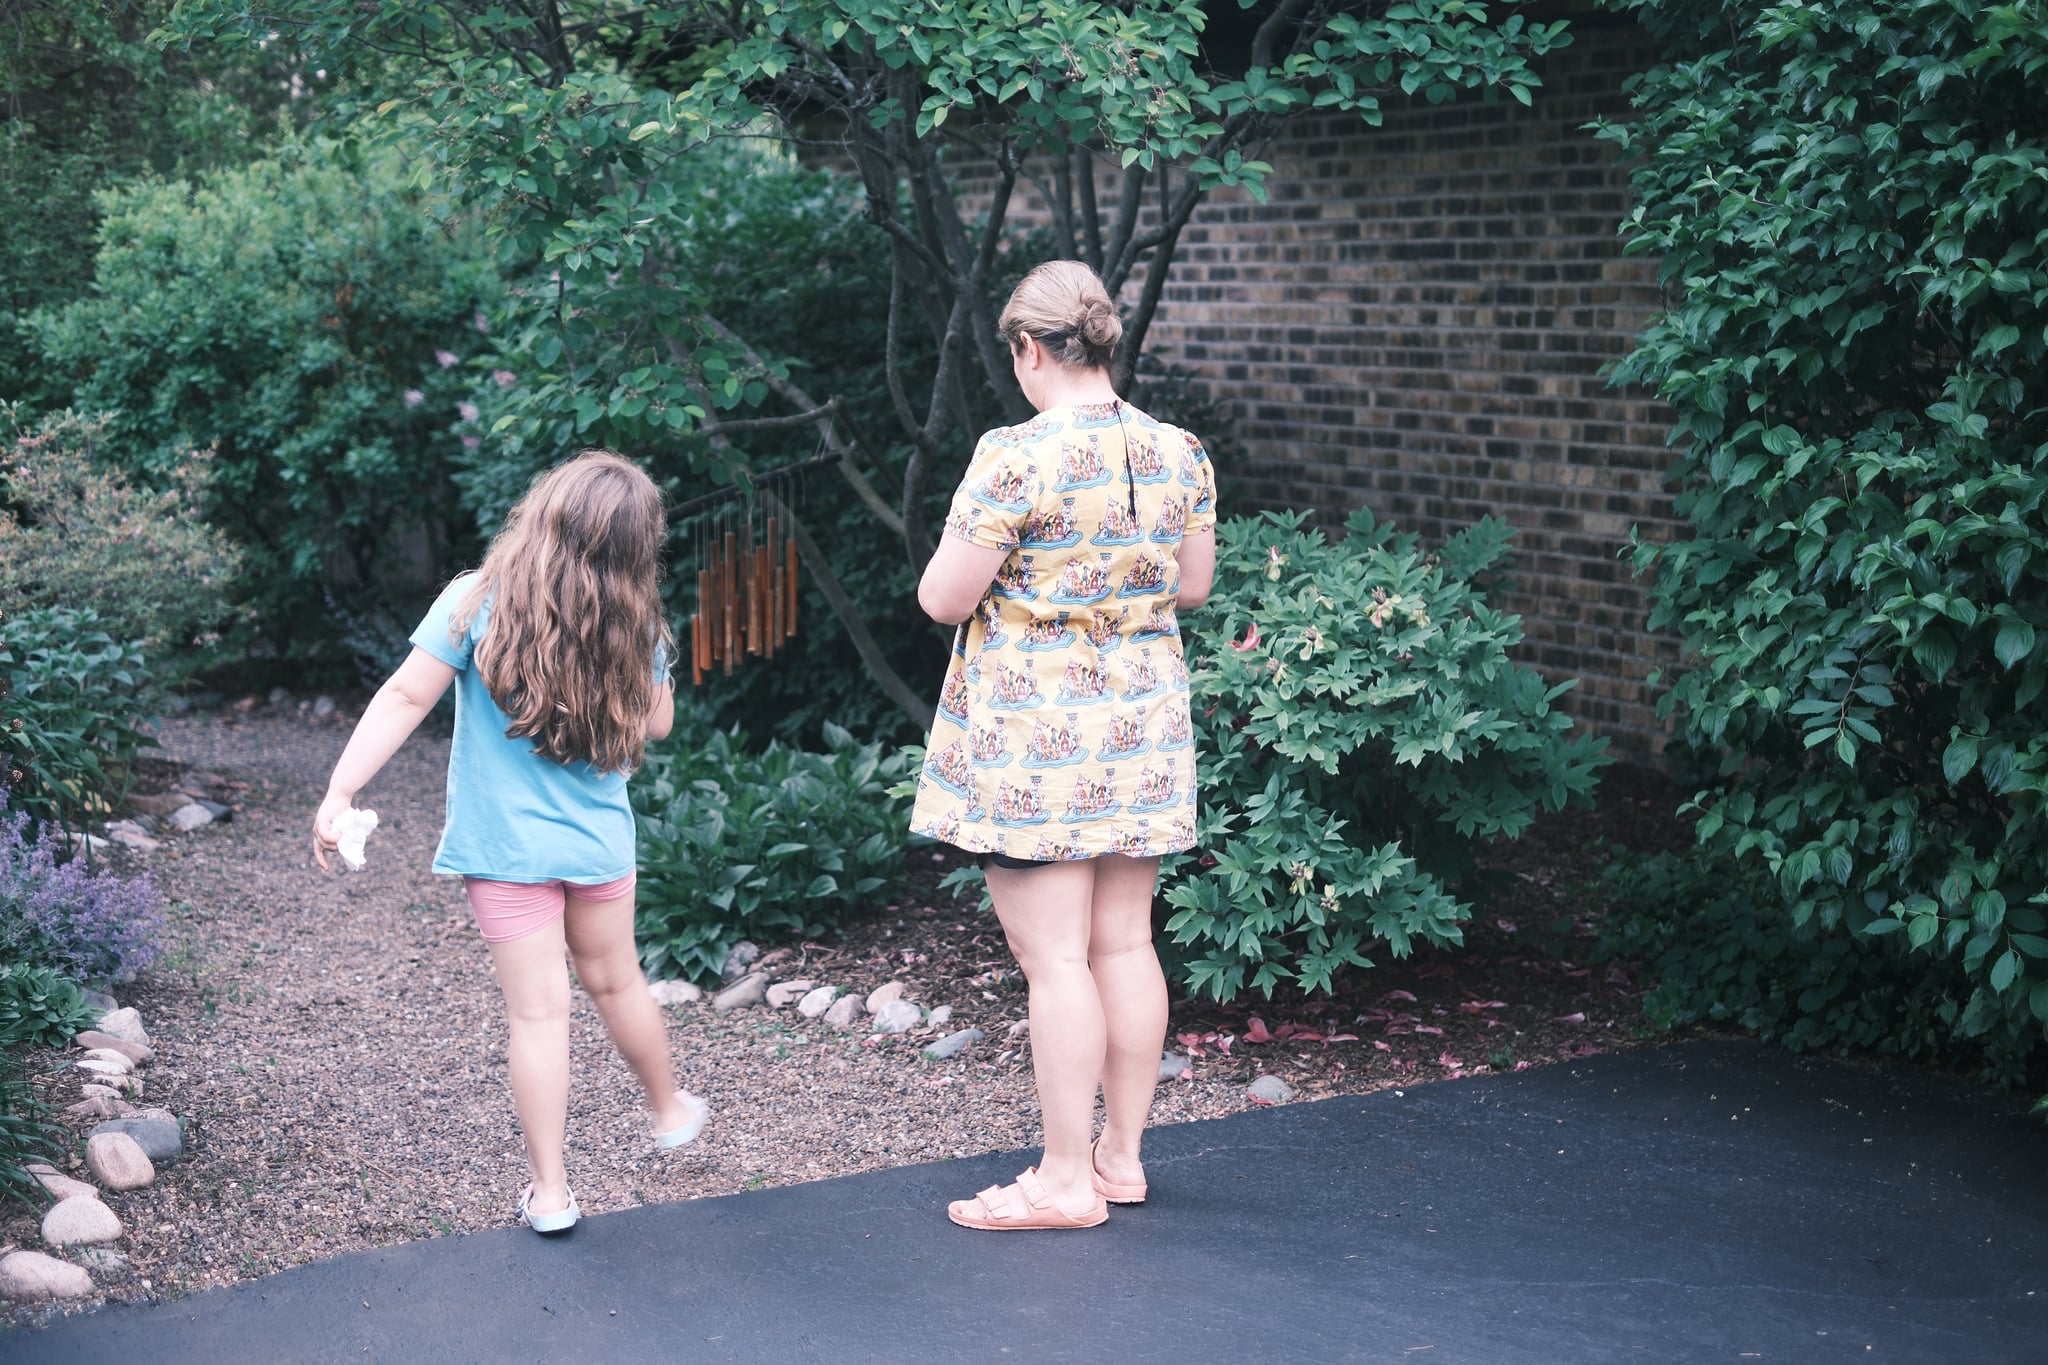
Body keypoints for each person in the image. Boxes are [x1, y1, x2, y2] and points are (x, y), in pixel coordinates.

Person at [312, 450, 707, 1235]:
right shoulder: (637, 619)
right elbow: (657, 724)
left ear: (544, 513)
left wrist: (341, 790)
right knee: (618, 983)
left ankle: (552, 1192)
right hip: (598, 848)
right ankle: (669, 1109)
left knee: (538, 1014)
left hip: (505, 854)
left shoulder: (475, 599)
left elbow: (404, 694)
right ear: (636, 547)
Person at [910, 260, 1217, 1230]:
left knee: (1057, 965)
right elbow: (1193, 586)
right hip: (1141, 729)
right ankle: (1117, 1160)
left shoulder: (1014, 457)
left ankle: (1059, 1180)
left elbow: (942, 598)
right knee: (1124, 942)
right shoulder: (1179, 451)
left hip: (1036, 740)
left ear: (1029, 348)